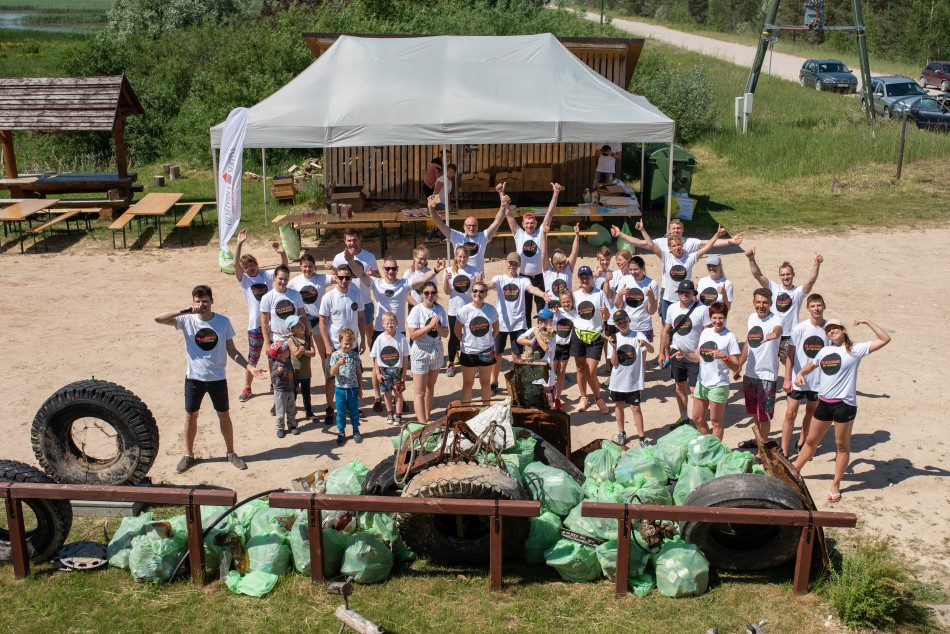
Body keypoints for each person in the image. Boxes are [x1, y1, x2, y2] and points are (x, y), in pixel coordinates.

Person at [155, 284, 265, 473]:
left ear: (212, 301)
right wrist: (186, 310)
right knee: (191, 416)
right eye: (198, 301)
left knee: (224, 415)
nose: (202, 305)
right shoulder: (187, 319)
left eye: (205, 301)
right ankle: (188, 455)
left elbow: (232, 350)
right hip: (194, 378)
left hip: (217, 379)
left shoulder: (223, 322)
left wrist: (250, 367)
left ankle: (231, 453)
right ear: (193, 303)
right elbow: (158, 319)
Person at [792, 318, 891, 503]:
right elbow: (811, 365)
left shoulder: (854, 350)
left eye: (835, 328)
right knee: (811, 441)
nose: (832, 331)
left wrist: (867, 321)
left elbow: (885, 339)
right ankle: (794, 471)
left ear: (843, 330)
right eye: (829, 330)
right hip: (824, 403)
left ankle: (835, 484)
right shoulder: (825, 351)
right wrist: (800, 374)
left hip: (844, 405)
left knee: (841, 446)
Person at [353, 254, 443, 412]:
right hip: (380, 330)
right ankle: (377, 397)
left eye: (393, 268)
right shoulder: (376, 283)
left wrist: (436, 269)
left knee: (399, 365)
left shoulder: (404, 284)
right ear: (383, 269)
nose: (390, 271)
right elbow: (360, 274)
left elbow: (422, 280)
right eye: (387, 268)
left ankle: (398, 397)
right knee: (378, 365)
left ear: (397, 269)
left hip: (399, 330)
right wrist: (348, 260)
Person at [233, 228, 288, 402]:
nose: (250, 268)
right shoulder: (245, 281)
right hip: (255, 326)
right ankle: (247, 388)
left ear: (257, 264)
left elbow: (284, 269)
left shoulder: (266, 275)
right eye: (246, 267)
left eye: (252, 264)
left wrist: (282, 253)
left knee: (273, 354)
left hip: (272, 325)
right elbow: (234, 265)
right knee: (253, 357)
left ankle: (274, 383)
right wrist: (239, 244)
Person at [746, 247, 823, 367]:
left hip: (789, 336)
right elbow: (757, 275)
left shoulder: (798, 292)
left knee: (789, 365)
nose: (785, 277)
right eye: (783, 275)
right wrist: (751, 258)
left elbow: (811, 281)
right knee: (766, 362)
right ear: (779, 276)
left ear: (793, 275)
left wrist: (816, 264)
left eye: (788, 274)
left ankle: (791, 384)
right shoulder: (773, 288)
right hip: (772, 333)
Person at [486, 252, 550, 396]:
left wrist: (542, 294)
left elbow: (531, 289)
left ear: (519, 265)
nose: (512, 266)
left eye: (515, 263)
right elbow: (491, 285)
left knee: (517, 355)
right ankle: (494, 381)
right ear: (505, 263)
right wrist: (482, 285)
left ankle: (516, 380)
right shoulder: (499, 279)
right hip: (501, 323)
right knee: (497, 354)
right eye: (510, 263)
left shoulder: (523, 280)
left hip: (518, 323)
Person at [635, 220, 725, 323]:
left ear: (682, 245)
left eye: (678, 245)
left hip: (684, 298)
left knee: (683, 327)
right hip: (668, 299)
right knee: (666, 327)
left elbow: (707, 247)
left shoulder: (690, 258)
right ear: (669, 248)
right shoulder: (666, 257)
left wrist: (717, 234)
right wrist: (642, 229)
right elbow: (651, 245)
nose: (677, 247)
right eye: (673, 246)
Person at [679, 302, 741, 439]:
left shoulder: (730, 337)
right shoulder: (705, 332)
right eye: (714, 318)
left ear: (725, 318)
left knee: (716, 421)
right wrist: (684, 354)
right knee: (697, 417)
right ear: (710, 318)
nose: (717, 321)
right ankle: (707, 443)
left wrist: (724, 357)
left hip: (719, 384)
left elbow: (737, 366)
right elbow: (696, 358)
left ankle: (715, 451)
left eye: (720, 318)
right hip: (702, 382)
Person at [734, 288, 784, 449]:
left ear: (770, 304)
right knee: (755, 412)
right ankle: (758, 441)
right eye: (758, 302)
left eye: (764, 303)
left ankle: (763, 449)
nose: (761, 306)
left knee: (764, 416)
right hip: (750, 372)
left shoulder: (776, 320)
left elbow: (778, 330)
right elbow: (748, 342)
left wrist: (773, 335)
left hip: (767, 375)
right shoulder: (751, 318)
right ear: (753, 302)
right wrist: (739, 365)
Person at [503, 182, 561, 321]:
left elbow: (550, 212)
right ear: (523, 225)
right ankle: (528, 334)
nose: (529, 225)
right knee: (525, 309)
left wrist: (556, 193)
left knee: (542, 308)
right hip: (524, 277)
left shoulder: (541, 232)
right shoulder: (519, 234)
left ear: (536, 223)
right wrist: (502, 195)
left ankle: (543, 333)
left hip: (540, 277)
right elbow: (509, 216)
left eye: (532, 222)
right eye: (527, 223)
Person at [781, 294, 829, 457]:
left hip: (818, 381)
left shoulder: (830, 329)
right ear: (808, 308)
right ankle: (784, 450)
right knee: (790, 414)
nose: (816, 308)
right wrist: (787, 378)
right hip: (798, 379)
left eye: (819, 305)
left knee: (811, 412)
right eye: (813, 306)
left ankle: (801, 442)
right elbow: (790, 354)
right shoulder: (799, 328)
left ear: (824, 306)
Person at [659, 280, 712, 429]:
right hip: (677, 354)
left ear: (693, 293)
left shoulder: (702, 310)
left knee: (696, 391)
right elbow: (666, 331)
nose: (684, 294)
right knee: (679, 387)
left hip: (695, 354)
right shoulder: (672, 308)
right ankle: (684, 418)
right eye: (681, 292)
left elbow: (708, 332)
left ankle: (699, 421)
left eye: (687, 292)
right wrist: (662, 353)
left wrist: (698, 352)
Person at [318, 264, 366, 426]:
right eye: (341, 277)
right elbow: (322, 322)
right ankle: (330, 408)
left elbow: (360, 318)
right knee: (331, 378)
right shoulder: (328, 297)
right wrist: (327, 344)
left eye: (347, 277)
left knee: (351, 376)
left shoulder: (356, 294)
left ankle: (348, 406)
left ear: (351, 278)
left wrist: (363, 340)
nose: (344, 280)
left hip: (351, 345)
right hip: (334, 346)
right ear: (336, 278)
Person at [288, 253, 333, 417]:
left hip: (319, 321)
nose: (308, 269)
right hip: (301, 323)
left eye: (310, 266)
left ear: (315, 266)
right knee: (298, 355)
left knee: (323, 354)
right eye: (305, 266)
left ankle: (329, 380)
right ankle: (296, 386)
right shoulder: (295, 282)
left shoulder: (321, 278)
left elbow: (338, 277)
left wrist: (332, 267)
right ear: (300, 267)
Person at [427, 191, 506, 274]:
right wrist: (431, 209)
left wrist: (503, 205)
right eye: (469, 226)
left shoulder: (483, 237)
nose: (471, 228)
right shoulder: (456, 236)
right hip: (459, 276)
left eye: (474, 226)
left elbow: (497, 222)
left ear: (477, 227)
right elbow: (439, 223)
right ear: (464, 226)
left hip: (477, 278)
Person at [607, 309, 654, 446]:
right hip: (617, 381)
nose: (622, 324)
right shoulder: (614, 338)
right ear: (615, 325)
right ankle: (621, 432)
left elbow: (651, 351)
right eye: (619, 322)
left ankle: (641, 437)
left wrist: (645, 344)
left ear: (629, 321)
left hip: (633, 381)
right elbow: (614, 362)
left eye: (624, 321)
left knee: (635, 408)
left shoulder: (638, 335)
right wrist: (614, 348)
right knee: (619, 406)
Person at [406, 280, 449, 425]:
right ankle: (422, 423)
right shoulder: (416, 310)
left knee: (431, 387)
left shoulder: (440, 309)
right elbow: (413, 335)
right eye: (426, 293)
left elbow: (445, 334)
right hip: (420, 349)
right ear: (421, 294)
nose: (430, 295)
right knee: (419, 391)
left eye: (433, 293)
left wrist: (437, 327)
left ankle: (427, 418)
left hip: (436, 349)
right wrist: (430, 325)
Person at [571, 265, 611, 414]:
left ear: (592, 278)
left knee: (591, 371)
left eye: (587, 277)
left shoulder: (599, 294)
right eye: (582, 277)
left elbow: (606, 317)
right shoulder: (575, 295)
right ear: (579, 279)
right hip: (579, 334)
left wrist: (605, 313)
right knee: (580, 368)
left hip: (595, 335)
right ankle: (583, 398)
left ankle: (599, 398)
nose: (584, 279)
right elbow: (568, 310)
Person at [454, 280, 499, 406]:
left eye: (481, 291)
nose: (477, 293)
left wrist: (488, 341)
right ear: (471, 292)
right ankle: (466, 411)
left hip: (487, 351)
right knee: (468, 384)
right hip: (469, 352)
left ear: (486, 294)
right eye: (475, 291)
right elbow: (457, 330)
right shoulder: (464, 310)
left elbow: (496, 329)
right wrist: (465, 341)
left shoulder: (491, 310)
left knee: (485, 383)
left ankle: (486, 411)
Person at [612, 218, 743, 259]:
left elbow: (709, 244)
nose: (676, 231)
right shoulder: (662, 242)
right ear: (669, 230)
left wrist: (730, 241)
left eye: (679, 228)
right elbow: (641, 243)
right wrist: (620, 234)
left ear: (683, 230)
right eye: (673, 228)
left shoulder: (690, 242)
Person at [333, 228, 379, 346]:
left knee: (370, 333)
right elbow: (333, 277)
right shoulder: (339, 258)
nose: (352, 243)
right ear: (344, 241)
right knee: (347, 334)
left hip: (365, 300)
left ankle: (374, 361)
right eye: (349, 240)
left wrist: (373, 274)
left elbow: (378, 276)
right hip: (346, 301)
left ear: (359, 240)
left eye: (354, 240)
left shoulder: (369, 256)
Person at [443, 245, 479, 378]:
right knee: (453, 338)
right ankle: (451, 363)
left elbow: (476, 291)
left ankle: (472, 364)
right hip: (454, 310)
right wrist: (446, 280)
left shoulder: (473, 271)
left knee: (470, 337)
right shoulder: (448, 271)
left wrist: (479, 282)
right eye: (460, 257)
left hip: (469, 309)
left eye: (464, 257)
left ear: (468, 257)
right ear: (456, 257)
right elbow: (447, 292)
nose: (462, 259)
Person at [370, 311, 411, 425]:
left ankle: (398, 415)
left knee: (398, 394)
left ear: (397, 323)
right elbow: (375, 358)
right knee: (387, 393)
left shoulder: (401, 338)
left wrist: (403, 374)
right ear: (383, 324)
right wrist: (377, 373)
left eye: (392, 323)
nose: (390, 325)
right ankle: (390, 413)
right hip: (384, 371)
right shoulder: (379, 339)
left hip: (397, 371)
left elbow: (405, 357)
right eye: (387, 323)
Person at [260, 264, 308, 353]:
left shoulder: (296, 295)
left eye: (286, 279)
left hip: (296, 339)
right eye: (280, 279)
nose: (283, 282)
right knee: (277, 366)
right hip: (277, 340)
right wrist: (267, 343)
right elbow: (264, 323)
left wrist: (307, 335)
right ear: (275, 277)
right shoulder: (267, 297)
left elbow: (303, 316)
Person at [329, 328, 363, 446]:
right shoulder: (335, 355)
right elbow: (332, 372)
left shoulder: (354, 355)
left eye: (350, 343)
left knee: (354, 411)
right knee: (341, 411)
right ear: (340, 342)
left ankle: (355, 430)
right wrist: (338, 363)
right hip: (340, 389)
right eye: (345, 343)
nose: (348, 346)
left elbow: (359, 372)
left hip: (353, 388)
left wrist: (360, 389)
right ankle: (341, 431)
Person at [614, 255, 659, 344]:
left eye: (636, 269)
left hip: (643, 326)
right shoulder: (624, 280)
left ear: (642, 268)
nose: (633, 272)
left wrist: (651, 296)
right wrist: (619, 294)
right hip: (626, 326)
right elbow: (617, 305)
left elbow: (652, 311)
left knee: (642, 356)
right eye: (630, 269)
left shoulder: (652, 283)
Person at [517, 308, 557, 406]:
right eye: (538, 319)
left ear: (550, 321)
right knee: (534, 400)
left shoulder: (551, 333)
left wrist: (537, 336)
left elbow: (545, 347)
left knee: (548, 401)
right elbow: (519, 339)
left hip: (546, 372)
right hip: (533, 371)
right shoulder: (533, 330)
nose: (540, 321)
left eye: (543, 319)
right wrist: (531, 342)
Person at [286, 315, 317, 425]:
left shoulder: (308, 337)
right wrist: (301, 351)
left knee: (306, 393)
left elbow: (313, 353)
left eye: (300, 323)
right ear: (292, 329)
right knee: (293, 394)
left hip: (305, 371)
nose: (301, 325)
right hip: (295, 372)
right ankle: (291, 415)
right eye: (297, 324)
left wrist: (302, 351)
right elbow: (296, 355)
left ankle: (309, 412)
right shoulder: (291, 340)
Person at [540, 223, 580, 309]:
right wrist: (544, 235)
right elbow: (543, 253)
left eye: (563, 262)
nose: (562, 265)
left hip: (566, 305)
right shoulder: (548, 270)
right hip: (551, 305)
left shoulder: (567, 269)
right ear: (553, 262)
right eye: (558, 263)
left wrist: (577, 235)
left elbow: (574, 252)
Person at [551, 289, 577, 410]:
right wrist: (553, 313)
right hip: (554, 345)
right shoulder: (557, 312)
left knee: (561, 372)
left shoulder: (575, 314)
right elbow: (548, 323)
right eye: (563, 302)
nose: (566, 304)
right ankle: (550, 396)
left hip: (566, 346)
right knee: (552, 371)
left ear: (572, 301)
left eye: (568, 301)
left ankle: (557, 397)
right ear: (560, 302)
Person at [268, 341, 297, 438]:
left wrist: (296, 384)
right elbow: (272, 376)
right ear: (279, 355)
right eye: (284, 349)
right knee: (280, 410)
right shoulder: (276, 364)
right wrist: (277, 371)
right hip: (280, 392)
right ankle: (280, 428)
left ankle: (292, 425)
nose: (287, 349)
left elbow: (292, 373)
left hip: (290, 390)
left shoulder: (288, 360)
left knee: (291, 409)